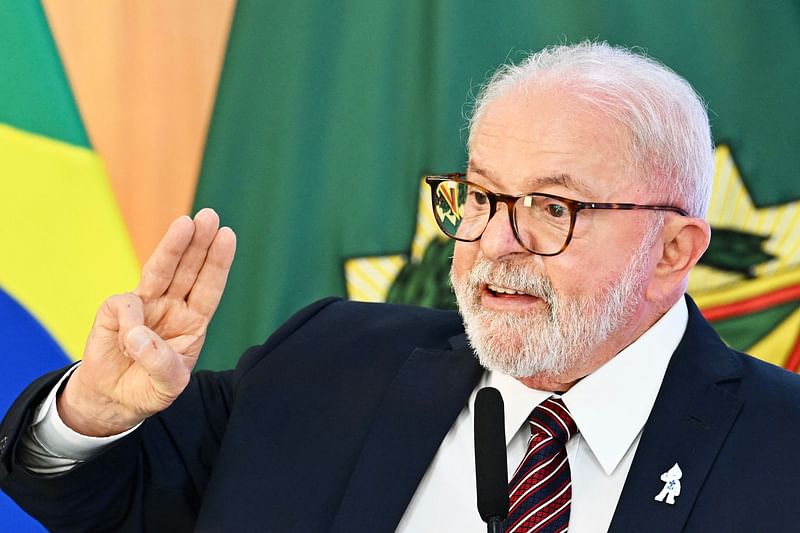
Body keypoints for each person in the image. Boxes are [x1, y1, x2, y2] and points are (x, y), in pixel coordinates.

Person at [2, 41, 800, 533]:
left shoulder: (781, 447)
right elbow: (95, 500)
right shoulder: (325, 365)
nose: (495, 244)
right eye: (481, 196)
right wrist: (92, 415)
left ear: (674, 249)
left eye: (553, 208)